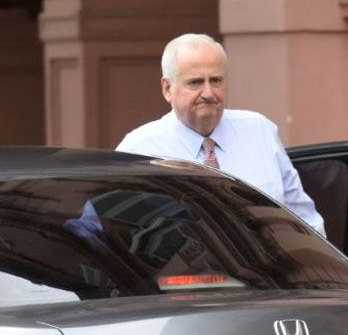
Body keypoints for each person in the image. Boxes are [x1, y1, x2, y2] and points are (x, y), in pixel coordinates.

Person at [116, 33, 325, 235]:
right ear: (168, 88)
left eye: (216, 80)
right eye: (195, 82)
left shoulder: (259, 131)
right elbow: (112, 232)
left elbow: (303, 218)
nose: (208, 93)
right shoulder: (139, 150)